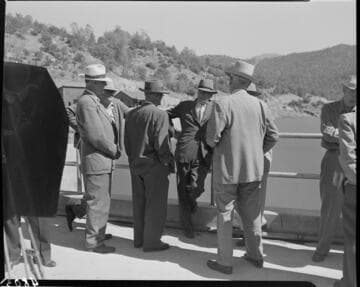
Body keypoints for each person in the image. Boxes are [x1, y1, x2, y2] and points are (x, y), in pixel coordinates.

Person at [205, 60, 279, 274]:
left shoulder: (223, 103)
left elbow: (211, 139)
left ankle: (224, 263)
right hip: (253, 172)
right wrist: (257, 151)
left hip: (228, 172)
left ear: (235, 80)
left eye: (230, 78)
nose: (228, 81)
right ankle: (255, 256)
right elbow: (274, 136)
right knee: (252, 215)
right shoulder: (261, 106)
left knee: (225, 214)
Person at [65, 78, 129, 232]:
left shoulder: (116, 105)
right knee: (95, 193)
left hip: (109, 154)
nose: (109, 95)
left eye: (112, 93)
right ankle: (93, 234)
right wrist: (82, 129)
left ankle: (86, 220)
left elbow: (134, 114)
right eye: (107, 91)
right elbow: (68, 111)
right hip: (91, 151)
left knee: (101, 194)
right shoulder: (89, 103)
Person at [76, 64, 124, 253]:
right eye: (101, 83)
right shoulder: (87, 102)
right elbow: (95, 135)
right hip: (98, 160)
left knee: (101, 202)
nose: (104, 86)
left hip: (101, 161)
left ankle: (98, 236)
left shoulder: (92, 101)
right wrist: (114, 150)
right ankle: (94, 242)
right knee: (97, 203)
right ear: (92, 83)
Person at [124, 80, 174, 252]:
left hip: (136, 164)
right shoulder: (160, 115)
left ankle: (139, 239)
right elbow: (162, 144)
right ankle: (152, 242)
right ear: (152, 95)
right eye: (160, 94)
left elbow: (127, 143)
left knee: (139, 203)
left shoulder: (131, 114)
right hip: (155, 166)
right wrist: (166, 161)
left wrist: (133, 159)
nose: (161, 98)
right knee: (156, 205)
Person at [312, 74, 357, 263]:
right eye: (350, 91)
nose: (353, 95)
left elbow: (333, 133)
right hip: (336, 162)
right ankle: (322, 249)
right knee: (331, 207)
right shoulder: (330, 109)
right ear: (343, 90)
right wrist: (348, 135)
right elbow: (327, 133)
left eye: (356, 92)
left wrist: (342, 134)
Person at [167, 79, 216, 238]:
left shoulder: (215, 109)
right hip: (184, 151)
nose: (204, 95)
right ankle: (187, 226)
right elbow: (166, 115)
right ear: (198, 92)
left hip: (204, 154)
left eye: (207, 93)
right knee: (182, 189)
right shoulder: (185, 105)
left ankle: (192, 202)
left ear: (211, 95)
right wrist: (173, 132)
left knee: (196, 187)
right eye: (202, 91)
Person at [236, 83, 273, 247]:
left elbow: (272, 136)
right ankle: (254, 230)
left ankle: (251, 238)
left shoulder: (258, 110)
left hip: (257, 160)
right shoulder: (261, 109)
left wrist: (257, 151)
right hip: (258, 160)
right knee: (252, 199)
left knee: (249, 200)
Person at [333, 75, 356, 287]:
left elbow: (350, 163)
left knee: (352, 239)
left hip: (354, 188)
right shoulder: (330, 110)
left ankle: (349, 282)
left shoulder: (348, 120)